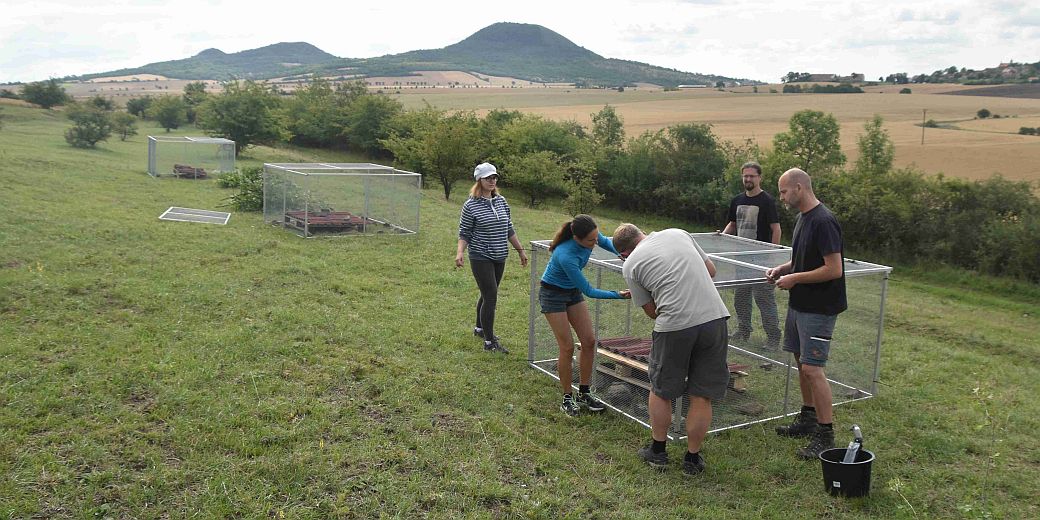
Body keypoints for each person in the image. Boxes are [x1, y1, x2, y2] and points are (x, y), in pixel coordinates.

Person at [612, 223, 730, 476]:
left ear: (624, 253)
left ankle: (658, 451)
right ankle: (692, 458)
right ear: (642, 232)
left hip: (674, 326)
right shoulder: (677, 233)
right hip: (715, 318)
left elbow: (652, 312)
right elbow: (711, 270)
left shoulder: (630, 265)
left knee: (661, 390)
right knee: (702, 394)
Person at [766, 168, 847, 459]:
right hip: (800, 304)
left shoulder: (824, 221)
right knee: (802, 363)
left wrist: (796, 279)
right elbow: (802, 257)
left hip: (820, 307)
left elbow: (833, 269)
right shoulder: (803, 219)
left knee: (813, 368)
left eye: (784, 191)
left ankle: (826, 435)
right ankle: (808, 418)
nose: (782, 197)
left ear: (799, 187)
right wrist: (784, 269)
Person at [539, 214, 631, 416]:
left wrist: (629, 254)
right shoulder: (565, 255)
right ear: (576, 238)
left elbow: (611, 244)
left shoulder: (593, 237)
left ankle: (584, 392)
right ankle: (567, 397)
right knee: (567, 346)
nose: (595, 243)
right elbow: (589, 290)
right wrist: (619, 295)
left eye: (596, 237)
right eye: (590, 240)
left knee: (589, 341)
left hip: (571, 292)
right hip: (552, 294)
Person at [456, 162, 528, 353]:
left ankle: (479, 328)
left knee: (488, 292)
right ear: (479, 180)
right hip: (480, 255)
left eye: (494, 177)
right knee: (491, 295)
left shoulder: (501, 201)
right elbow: (465, 232)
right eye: (488, 178)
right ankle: (489, 342)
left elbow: (509, 228)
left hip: (500, 255)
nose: (492, 181)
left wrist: (520, 250)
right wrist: (460, 252)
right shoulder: (470, 205)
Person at [722, 161, 782, 349]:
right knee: (741, 298)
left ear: (759, 178)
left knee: (764, 300)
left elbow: (776, 229)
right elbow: (732, 224)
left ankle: (773, 338)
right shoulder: (737, 200)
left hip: (761, 261)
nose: (748, 179)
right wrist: (720, 239)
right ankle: (743, 331)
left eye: (752, 176)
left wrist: (771, 255)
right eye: (745, 176)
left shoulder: (767, 201)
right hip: (741, 259)